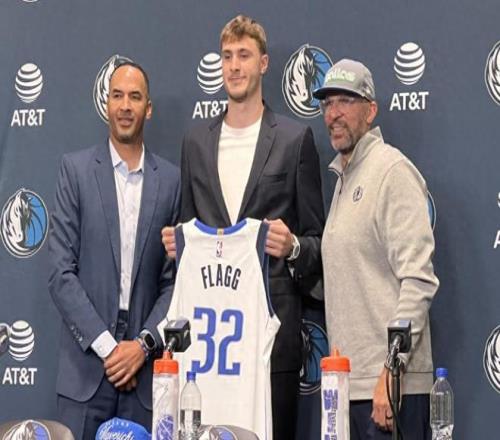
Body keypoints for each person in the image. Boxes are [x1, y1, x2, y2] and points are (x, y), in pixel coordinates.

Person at [162, 15, 324, 440]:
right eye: (227, 56)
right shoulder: (195, 141)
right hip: (207, 348)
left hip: (270, 343)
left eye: (244, 56)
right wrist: (179, 246)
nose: (234, 66)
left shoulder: (294, 139)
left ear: (264, 63)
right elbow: (188, 225)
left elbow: (318, 243)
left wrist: (292, 246)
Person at [48, 61, 180, 440]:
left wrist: (141, 346)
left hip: (145, 375)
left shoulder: (171, 181)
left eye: (134, 97)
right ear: (106, 104)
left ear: (147, 109)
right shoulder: (75, 171)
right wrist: (110, 349)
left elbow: (175, 282)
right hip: (85, 371)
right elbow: (60, 273)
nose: (125, 106)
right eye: (117, 96)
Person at [314, 58, 439, 440]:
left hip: (390, 391)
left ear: (370, 110)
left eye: (345, 101)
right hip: (349, 387)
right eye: (327, 103)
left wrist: (391, 371)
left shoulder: (391, 171)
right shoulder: (343, 179)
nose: (333, 114)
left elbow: (418, 279)